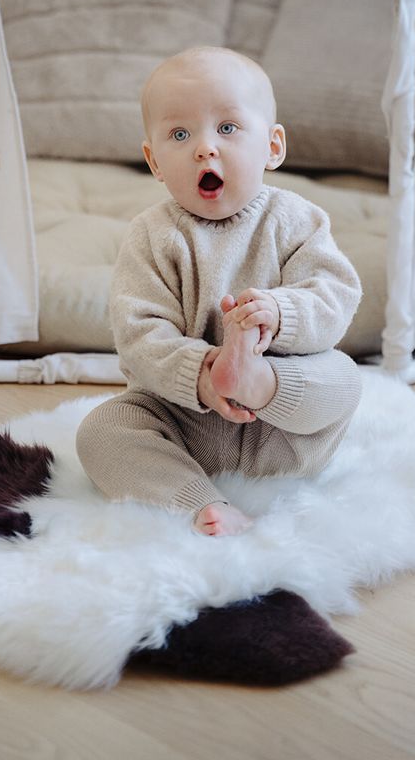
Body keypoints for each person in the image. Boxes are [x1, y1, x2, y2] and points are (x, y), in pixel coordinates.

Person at [76, 46, 363, 536]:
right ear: (154, 161)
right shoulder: (152, 235)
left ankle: (255, 379)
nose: (205, 148)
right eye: (180, 134)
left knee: (344, 379)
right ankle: (199, 503)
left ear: (273, 146)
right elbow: (139, 334)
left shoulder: (296, 220)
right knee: (101, 431)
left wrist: (280, 313)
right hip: (186, 424)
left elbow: (336, 295)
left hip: (285, 426)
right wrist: (205, 376)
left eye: (227, 128)